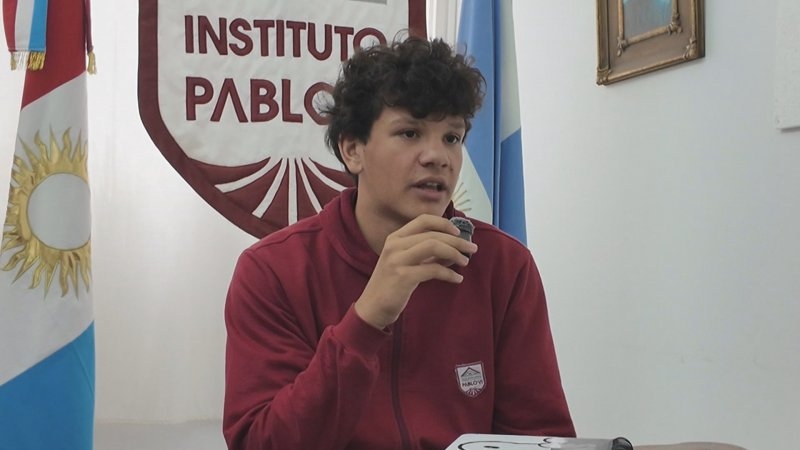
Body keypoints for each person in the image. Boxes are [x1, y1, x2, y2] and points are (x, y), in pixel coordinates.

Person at [222, 35, 575, 450]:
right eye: (410, 133)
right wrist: (368, 318)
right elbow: (261, 442)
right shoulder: (273, 271)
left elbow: (540, 438)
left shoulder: (503, 265)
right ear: (352, 150)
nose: (437, 156)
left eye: (452, 137)